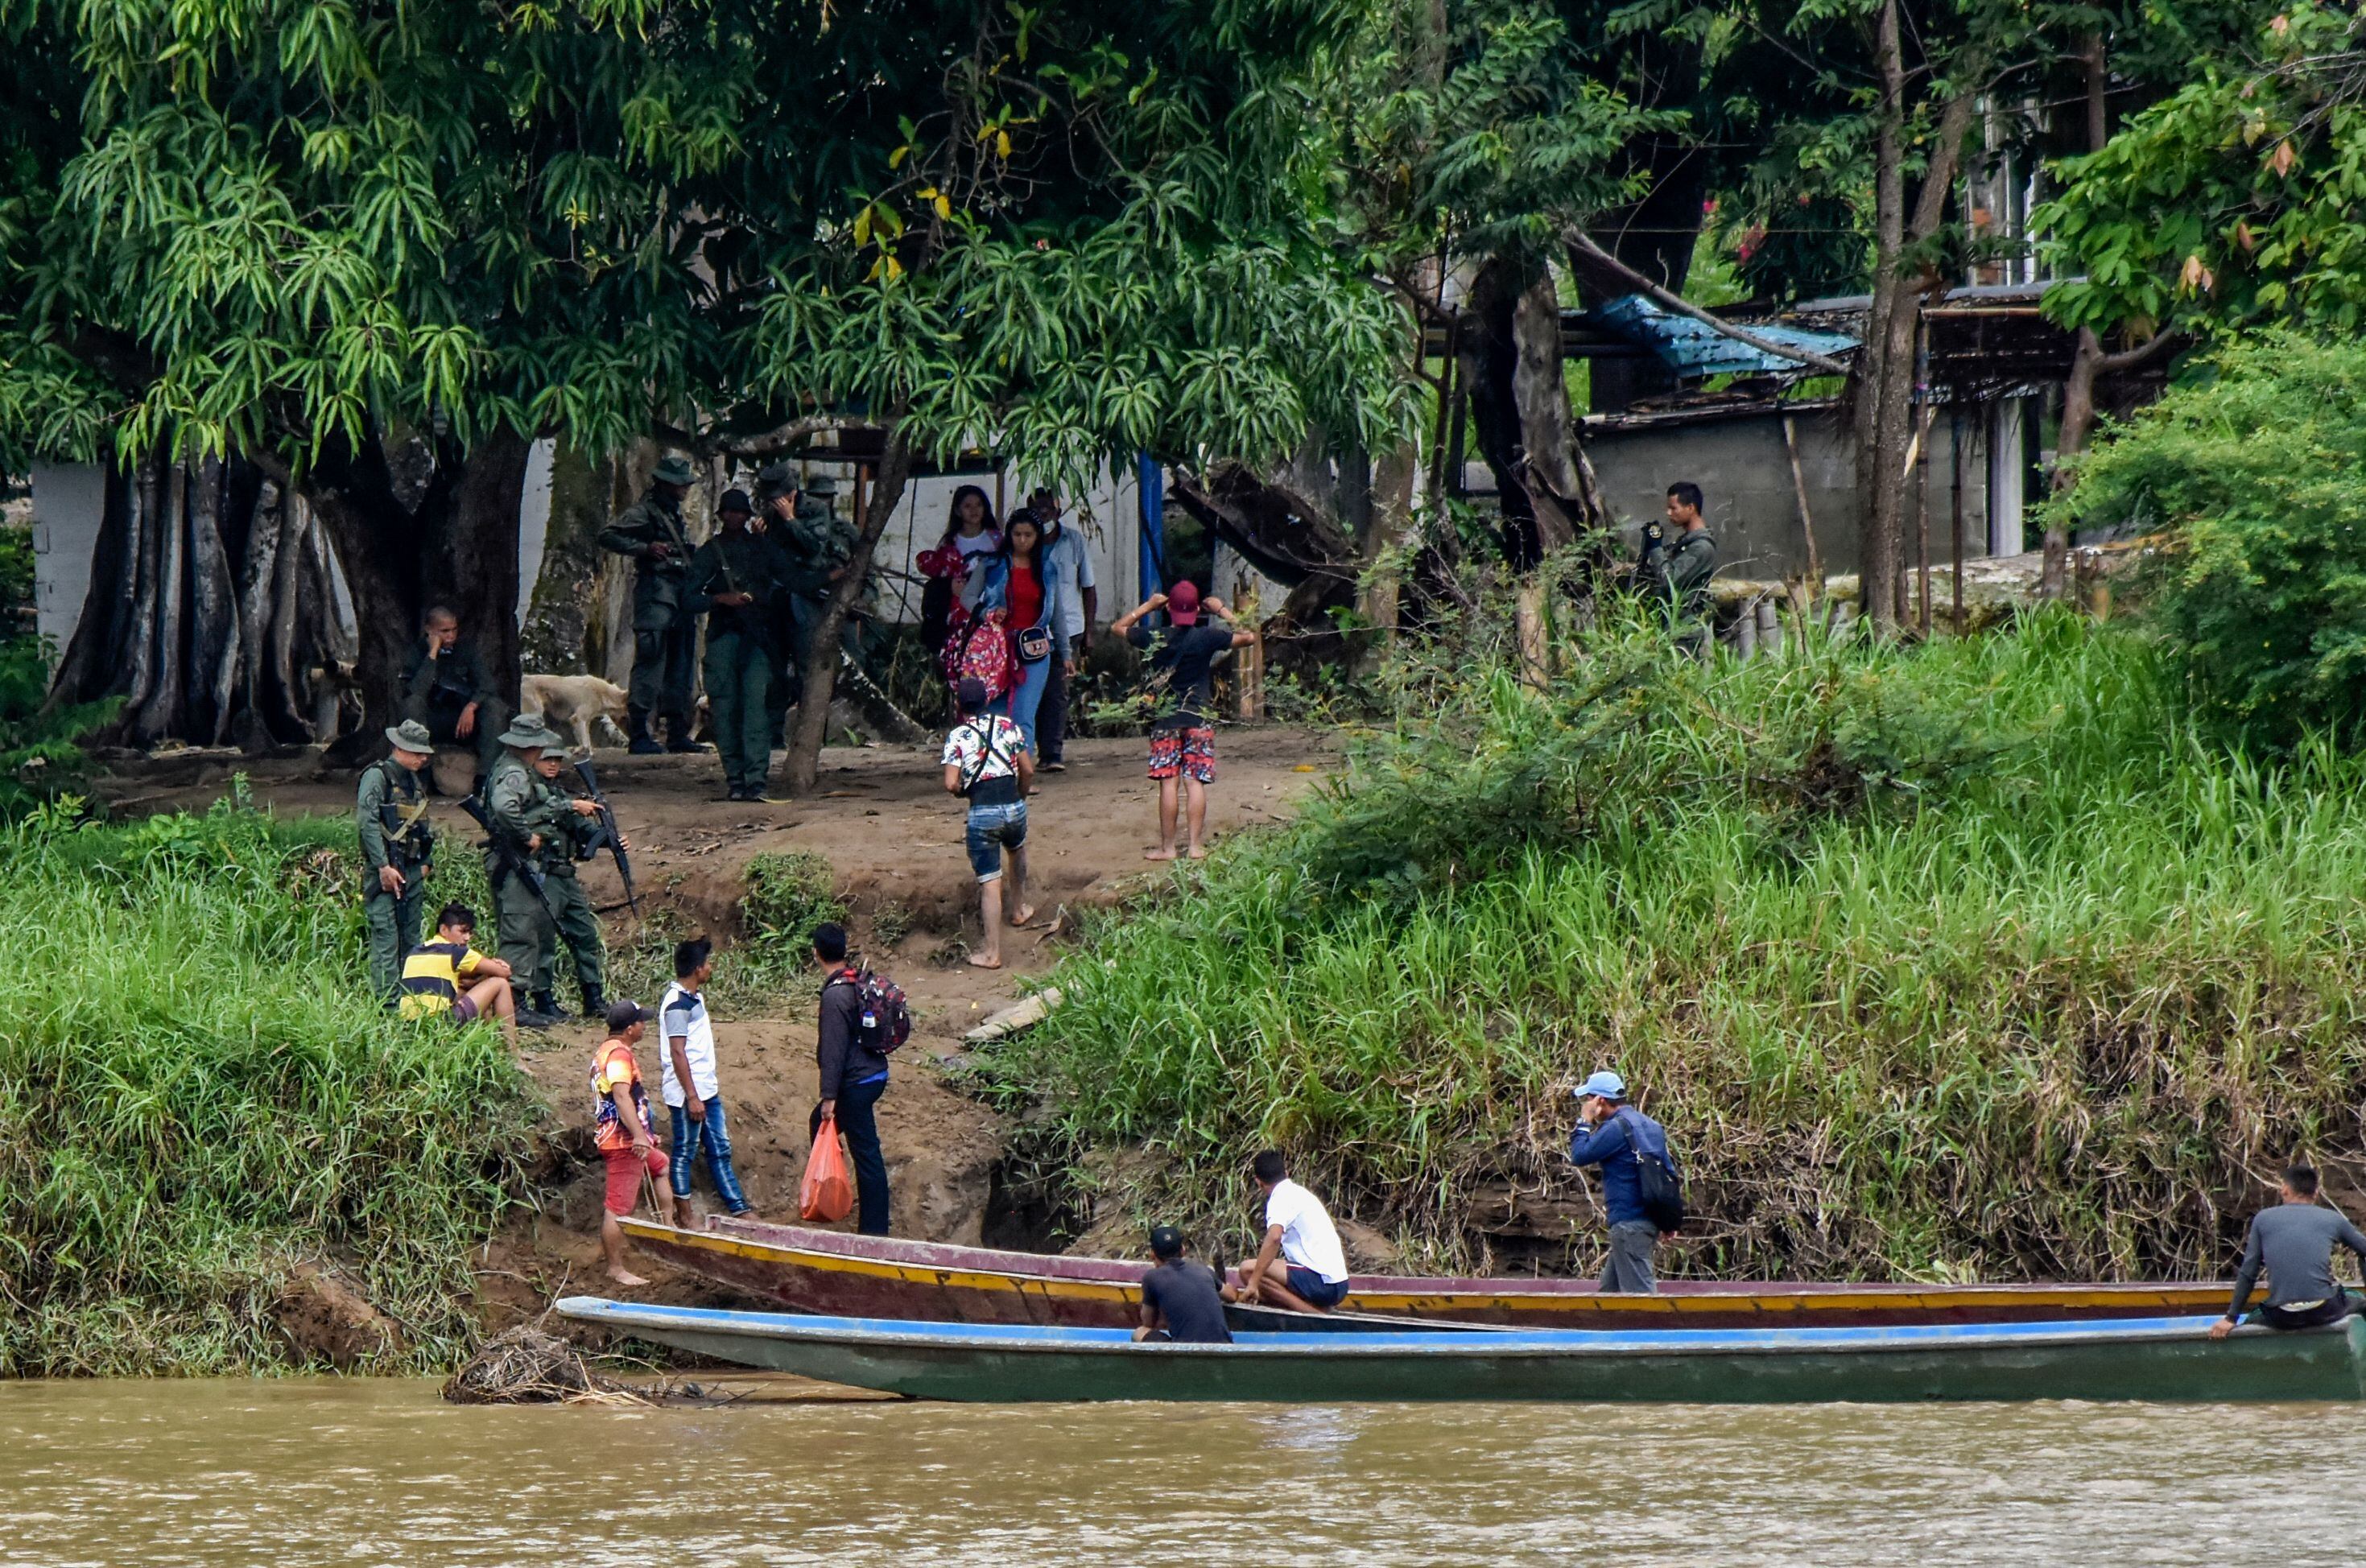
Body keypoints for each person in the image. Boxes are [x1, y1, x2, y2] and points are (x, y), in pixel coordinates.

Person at [486, 715, 619, 1026]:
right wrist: (526, 835)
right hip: (521, 865)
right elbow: (506, 809)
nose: (549, 761)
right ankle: (515, 1004)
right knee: (522, 934)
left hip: (540, 868)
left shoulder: (529, 779)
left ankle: (558, 1000)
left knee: (543, 934)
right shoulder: (515, 773)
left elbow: (567, 823)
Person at [1110, 582, 1255, 861]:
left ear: (1169, 608)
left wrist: (1149, 606)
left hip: (1165, 720)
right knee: (1194, 782)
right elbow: (1248, 637)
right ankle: (1195, 846)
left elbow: (1118, 628)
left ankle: (1168, 848)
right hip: (1198, 718)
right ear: (1199, 610)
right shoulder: (1207, 637)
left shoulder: (1154, 635)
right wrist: (1222, 609)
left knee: (1168, 783)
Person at [684, 488, 790, 801]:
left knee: (755, 711)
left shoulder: (763, 549)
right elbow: (688, 598)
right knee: (725, 710)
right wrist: (720, 599)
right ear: (721, 516)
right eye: (729, 512)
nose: (734, 517)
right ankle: (735, 780)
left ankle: (756, 779)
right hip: (723, 637)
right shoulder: (710, 552)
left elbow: (790, 581)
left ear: (747, 516)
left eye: (739, 512)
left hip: (758, 639)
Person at [597, 453, 705, 754]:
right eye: (680, 484)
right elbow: (608, 535)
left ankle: (677, 733)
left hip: (680, 595)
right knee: (651, 663)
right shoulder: (645, 512)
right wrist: (645, 548)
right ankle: (639, 734)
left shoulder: (673, 514)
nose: (685, 489)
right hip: (656, 597)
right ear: (665, 484)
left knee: (681, 666)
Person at [939, 675, 1035, 969]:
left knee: (990, 882)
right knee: (1016, 848)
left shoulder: (957, 737)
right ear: (986, 700)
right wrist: (1019, 796)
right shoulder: (1008, 726)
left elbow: (950, 783)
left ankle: (992, 953)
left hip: (983, 812)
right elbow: (1028, 770)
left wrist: (963, 791)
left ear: (959, 704)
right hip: (1014, 806)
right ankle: (1019, 910)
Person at [659, 937, 754, 1227]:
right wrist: (692, 1096)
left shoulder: (692, 998)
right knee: (685, 1151)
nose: (711, 968)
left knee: (720, 1147)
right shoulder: (676, 1005)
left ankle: (739, 1207)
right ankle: (685, 1215)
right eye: (708, 964)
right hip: (690, 1093)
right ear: (698, 969)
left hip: (705, 1089)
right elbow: (677, 1052)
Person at [2209, 1163, 2366, 1338]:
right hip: (2324, 1311)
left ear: (2285, 1190)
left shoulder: (2263, 1219)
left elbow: (2249, 1272)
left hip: (2282, 1316)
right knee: (2357, 1298)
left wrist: (2231, 1318)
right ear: (2316, 1194)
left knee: (2253, 1317)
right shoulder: (2333, 1219)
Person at [960, 511, 1065, 758]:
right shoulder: (992, 564)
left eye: (1028, 535)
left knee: (1023, 714)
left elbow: (1056, 613)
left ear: (1038, 537)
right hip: (997, 647)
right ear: (1009, 535)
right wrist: (986, 612)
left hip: (1035, 648)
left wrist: (1066, 651)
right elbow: (967, 597)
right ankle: (997, 770)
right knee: (994, 711)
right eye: (1017, 534)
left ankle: (1022, 774)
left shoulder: (1047, 568)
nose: (1022, 540)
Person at [811, 922, 890, 1236]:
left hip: (855, 1084)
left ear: (816, 954)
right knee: (818, 1123)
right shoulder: (858, 981)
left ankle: (874, 1231)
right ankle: (832, 1189)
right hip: (874, 1073)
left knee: (867, 1154)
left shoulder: (834, 997)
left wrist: (829, 1097)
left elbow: (833, 1051)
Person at [1567, 1069, 1670, 1294]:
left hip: (1629, 1224)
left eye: (1588, 1099)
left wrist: (1584, 1122)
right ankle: (1603, 1329)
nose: (1586, 1104)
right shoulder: (1651, 1126)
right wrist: (1669, 1219)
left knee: (1641, 1299)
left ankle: (1656, 1331)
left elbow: (1580, 1155)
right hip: (1646, 1221)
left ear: (1600, 1101)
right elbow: (1668, 1171)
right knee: (1609, 1293)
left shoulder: (1616, 1128)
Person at [357, 718, 438, 1005]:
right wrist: (382, 866)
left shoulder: (413, 780)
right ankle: (387, 1006)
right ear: (398, 747)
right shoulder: (377, 776)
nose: (422, 757)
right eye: (416, 752)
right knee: (386, 938)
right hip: (386, 871)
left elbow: (424, 825)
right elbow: (367, 824)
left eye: (424, 752)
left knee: (411, 937)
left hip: (412, 869)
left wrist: (427, 861)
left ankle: (408, 1001)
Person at [592, 1001, 667, 1286]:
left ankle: (668, 1228)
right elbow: (622, 1097)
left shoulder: (606, 1050)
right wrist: (638, 1136)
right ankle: (615, 1268)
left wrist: (646, 1134)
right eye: (640, 1022)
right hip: (623, 1141)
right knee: (618, 1207)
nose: (644, 1026)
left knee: (661, 1165)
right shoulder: (619, 1055)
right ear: (629, 1029)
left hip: (625, 1136)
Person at [1233, 1149, 1351, 1313]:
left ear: (1259, 1182)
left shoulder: (1280, 1198)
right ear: (1286, 1173)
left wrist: (1253, 1283)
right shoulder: (1301, 1193)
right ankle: (1309, 1306)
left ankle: (1314, 1314)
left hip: (1324, 1283)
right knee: (1261, 1272)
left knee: (1247, 1270)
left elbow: (1274, 1237)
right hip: (1339, 1283)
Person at [1030, 488, 1097, 773]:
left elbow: (1088, 588)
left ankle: (1052, 753)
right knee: (1033, 690)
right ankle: (1027, 748)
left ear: (1058, 513)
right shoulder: (1025, 543)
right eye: (1038, 511)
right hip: (1031, 629)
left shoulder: (1074, 541)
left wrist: (1090, 632)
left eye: (1048, 511)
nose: (1044, 516)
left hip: (1068, 628)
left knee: (1057, 692)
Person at [398, 605, 506, 781]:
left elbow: (487, 685)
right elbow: (417, 691)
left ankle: (485, 778)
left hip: (463, 720)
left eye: (454, 630)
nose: (450, 636)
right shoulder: (416, 652)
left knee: (495, 707)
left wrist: (471, 706)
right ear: (429, 630)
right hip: (432, 721)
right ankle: (420, 775)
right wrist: (432, 654)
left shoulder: (467, 650)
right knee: (412, 704)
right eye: (444, 631)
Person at [397, 902, 518, 1043]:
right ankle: (513, 1056)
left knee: (462, 989)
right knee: (500, 983)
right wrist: (492, 970)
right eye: (462, 931)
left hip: (411, 1028)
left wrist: (475, 981)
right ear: (443, 930)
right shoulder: (456, 952)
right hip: (440, 1024)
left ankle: (491, 1043)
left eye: (469, 933)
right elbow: (504, 972)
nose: (467, 938)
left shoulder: (415, 952)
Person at [919, 485, 1001, 686]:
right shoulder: (950, 542)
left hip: (990, 609)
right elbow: (939, 575)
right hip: (958, 614)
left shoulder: (997, 539)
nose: (974, 510)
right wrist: (950, 587)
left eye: (979, 505)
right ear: (957, 511)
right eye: (967, 506)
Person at [1634, 481, 1718, 651]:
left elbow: (1669, 580)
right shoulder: (1685, 543)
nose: (1669, 513)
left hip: (1684, 630)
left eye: (1674, 508)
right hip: (1671, 625)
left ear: (1690, 508)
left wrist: (1656, 547)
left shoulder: (1701, 548)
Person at [1135, 1224, 1233, 1343]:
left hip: (1185, 1353)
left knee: (1140, 1332)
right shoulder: (1203, 1270)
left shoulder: (1152, 1277)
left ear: (1152, 1254)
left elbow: (1148, 1322)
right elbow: (1232, 1295)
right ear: (1183, 1250)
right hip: (1225, 1347)